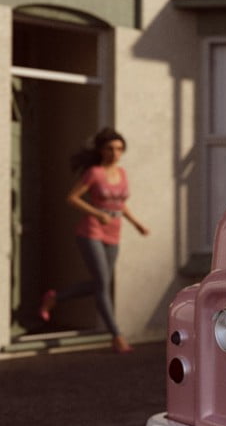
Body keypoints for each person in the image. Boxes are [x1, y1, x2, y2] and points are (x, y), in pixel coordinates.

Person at [39, 127, 150, 353]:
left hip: (114, 232)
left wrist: (136, 223)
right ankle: (117, 336)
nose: (115, 153)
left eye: (119, 149)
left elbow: (120, 204)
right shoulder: (94, 173)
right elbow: (72, 198)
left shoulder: (122, 174)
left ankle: (55, 298)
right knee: (101, 285)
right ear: (101, 150)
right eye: (110, 148)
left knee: (101, 283)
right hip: (91, 232)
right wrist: (97, 213)